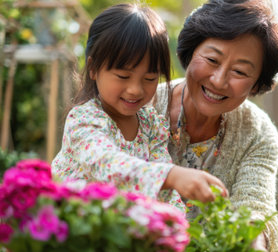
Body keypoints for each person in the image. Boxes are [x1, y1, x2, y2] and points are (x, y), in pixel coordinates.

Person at [51, 3, 228, 211]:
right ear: (93, 69)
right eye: (123, 76)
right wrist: (171, 175)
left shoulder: (150, 123)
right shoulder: (84, 119)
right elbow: (106, 164)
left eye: (150, 78)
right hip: (69, 230)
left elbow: (166, 192)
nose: (135, 89)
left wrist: (179, 227)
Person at [152, 0, 278, 250]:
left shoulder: (258, 134)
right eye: (212, 60)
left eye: (239, 72)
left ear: (257, 83)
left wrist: (252, 240)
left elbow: (256, 206)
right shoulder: (141, 104)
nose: (218, 80)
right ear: (191, 51)